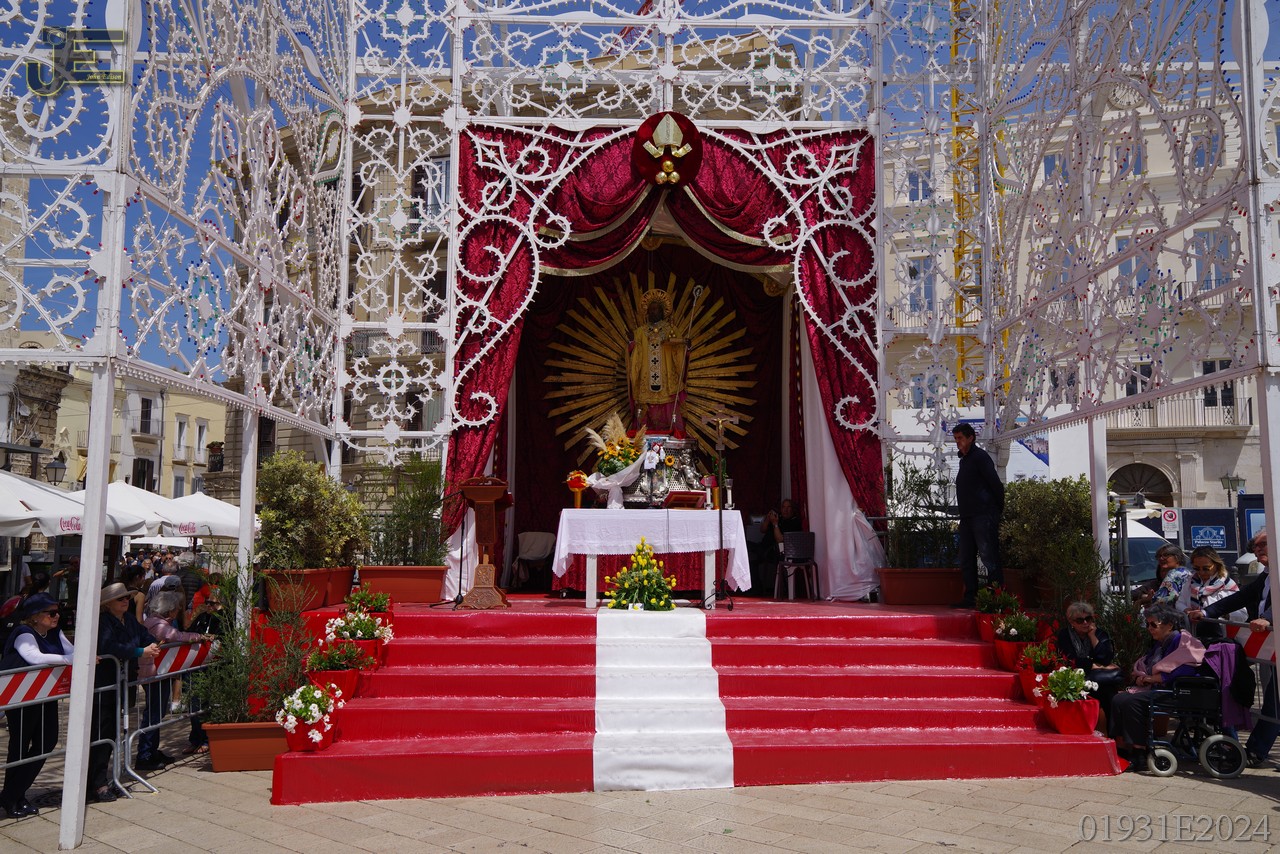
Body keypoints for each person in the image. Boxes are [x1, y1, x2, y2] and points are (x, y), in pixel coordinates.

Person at [1189, 529, 1278, 766]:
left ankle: (1256, 750)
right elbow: (1241, 597)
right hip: (1271, 646)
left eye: (1263, 544)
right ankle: (1256, 750)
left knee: (1274, 700)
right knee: (1274, 699)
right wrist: (1206, 612)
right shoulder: (1266, 576)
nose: (1257, 550)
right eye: (1255, 546)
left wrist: (1268, 618)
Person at [1110, 603, 1207, 772]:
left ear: (1169, 625)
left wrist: (1151, 678)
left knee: (1133, 702)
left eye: (1153, 624)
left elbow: (1188, 668)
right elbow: (1149, 664)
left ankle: (1140, 753)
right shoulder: (1160, 643)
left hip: (1177, 691)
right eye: (1147, 624)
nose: (1149, 628)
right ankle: (1123, 748)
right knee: (1118, 699)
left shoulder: (1183, 642)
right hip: (1159, 688)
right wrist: (1142, 677)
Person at [0, 593, 72, 818]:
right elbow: (34, 657)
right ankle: (14, 799)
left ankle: (11, 794)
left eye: (58, 611)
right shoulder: (24, 633)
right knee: (19, 746)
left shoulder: (55, 632)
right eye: (51, 613)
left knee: (47, 740)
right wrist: (70, 661)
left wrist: (74, 657)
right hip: (20, 697)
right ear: (35, 616)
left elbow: (71, 650)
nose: (56, 616)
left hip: (45, 693)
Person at [88, 583, 160, 803]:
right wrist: (139, 651)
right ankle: (97, 783)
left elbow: (144, 635)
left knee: (113, 733)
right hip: (105, 683)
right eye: (120, 599)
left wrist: (152, 645)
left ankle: (111, 778)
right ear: (108, 603)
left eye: (127, 598)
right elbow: (108, 646)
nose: (125, 601)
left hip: (124, 682)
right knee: (101, 734)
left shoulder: (128, 619)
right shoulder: (103, 622)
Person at [137, 591, 213, 770]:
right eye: (176, 608)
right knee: (154, 714)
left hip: (156, 672)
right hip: (155, 674)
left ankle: (151, 750)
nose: (178, 611)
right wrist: (199, 637)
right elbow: (176, 636)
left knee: (156, 713)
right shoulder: (158, 625)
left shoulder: (153, 622)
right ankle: (145, 753)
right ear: (169, 610)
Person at [951, 423, 1004, 608]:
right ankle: (971, 597)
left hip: (983, 514)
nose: (957, 442)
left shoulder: (980, 457)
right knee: (966, 557)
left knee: (989, 557)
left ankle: (995, 598)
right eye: (955, 438)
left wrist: (996, 510)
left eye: (960, 438)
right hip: (967, 517)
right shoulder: (964, 460)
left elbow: (995, 484)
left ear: (970, 438)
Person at [627, 288, 689, 432]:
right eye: (651, 309)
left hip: (667, 382)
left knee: (669, 409)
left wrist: (686, 346)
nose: (653, 312)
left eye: (656, 309)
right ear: (647, 312)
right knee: (644, 414)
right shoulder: (640, 332)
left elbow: (679, 351)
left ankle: (672, 435)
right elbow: (634, 355)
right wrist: (631, 342)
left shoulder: (671, 330)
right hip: (646, 381)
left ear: (662, 312)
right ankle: (643, 438)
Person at [1055, 601, 1122, 732]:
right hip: (1077, 678)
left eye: (1088, 619)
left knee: (1111, 695)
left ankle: (1113, 734)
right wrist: (1093, 664)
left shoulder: (1100, 634)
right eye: (1080, 620)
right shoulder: (1065, 635)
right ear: (1072, 622)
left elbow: (1105, 658)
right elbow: (1070, 659)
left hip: (1099, 679)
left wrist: (1092, 637)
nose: (1085, 623)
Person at [1188, 546, 1244, 641]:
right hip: (1193, 636)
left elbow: (1242, 614)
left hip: (1219, 638)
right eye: (1196, 568)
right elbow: (1180, 602)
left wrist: (1220, 613)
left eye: (1206, 568)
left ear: (1216, 565)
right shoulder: (1190, 581)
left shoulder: (1227, 585)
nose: (1201, 572)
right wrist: (1186, 610)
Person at [1136, 544, 1193, 613]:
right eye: (1159, 556)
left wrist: (1143, 601)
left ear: (1177, 557)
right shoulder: (1186, 572)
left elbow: (1161, 600)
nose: (1161, 558)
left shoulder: (1175, 574)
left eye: (1165, 555)